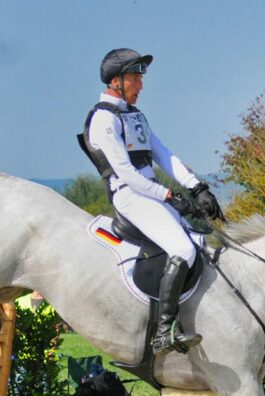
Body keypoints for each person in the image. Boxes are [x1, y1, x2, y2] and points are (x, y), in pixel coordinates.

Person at [78, 48, 223, 355]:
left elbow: (164, 155)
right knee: (183, 250)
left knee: (202, 243)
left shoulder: (134, 115)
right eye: (134, 79)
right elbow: (126, 174)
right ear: (116, 81)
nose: (140, 86)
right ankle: (163, 332)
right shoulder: (103, 119)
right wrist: (169, 196)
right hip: (131, 197)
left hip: (151, 193)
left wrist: (198, 188)